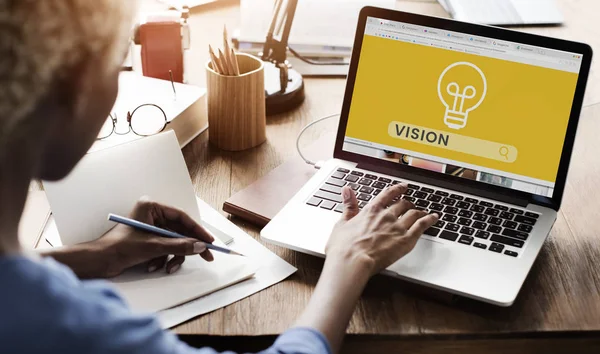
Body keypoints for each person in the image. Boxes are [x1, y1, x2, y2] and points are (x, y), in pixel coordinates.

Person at [0, 1, 438, 353]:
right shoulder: (76, 327)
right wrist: (349, 261)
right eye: (117, 66)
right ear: (71, 90)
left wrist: (95, 255)